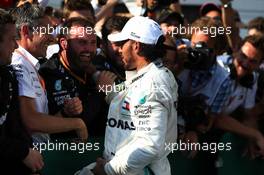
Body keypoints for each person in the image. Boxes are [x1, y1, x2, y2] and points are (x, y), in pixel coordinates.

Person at [90, 16, 178, 175]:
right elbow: (130, 98)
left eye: (122, 44)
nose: (118, 49)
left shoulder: (152, 84)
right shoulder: (152, 75)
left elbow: (150, 146)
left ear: (136, 46)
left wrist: (108, 170)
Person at [11, 3, 88, 143]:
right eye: (46, 31)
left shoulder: (29, 64)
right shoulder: (19, 64)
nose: (52, 38)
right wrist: (77, 124)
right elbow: (31, 121)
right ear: (26, 31)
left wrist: (65, 113)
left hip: (38, 155)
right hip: (26, 158)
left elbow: (37, 126)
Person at [39, 17, 109, 138]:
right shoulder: (48, 73)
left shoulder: (98, 67)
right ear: (64, 43)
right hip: (62, 151)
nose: (89, 49)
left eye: (93, 43)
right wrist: (100, 92)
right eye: (82, 42)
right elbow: (74, 125)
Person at [0, 8, 44, 174]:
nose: (15, 45)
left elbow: (13, 125)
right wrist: (23, 152)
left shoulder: (6, 75)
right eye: (12, 39)